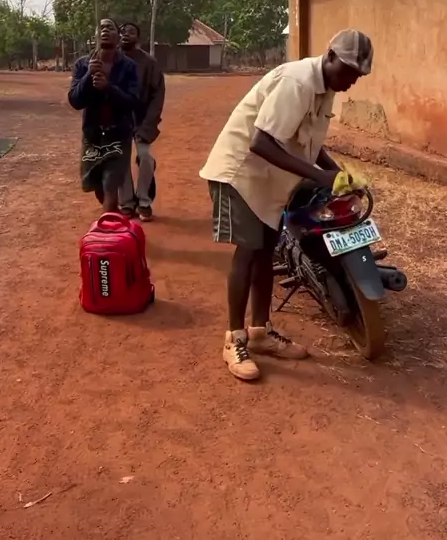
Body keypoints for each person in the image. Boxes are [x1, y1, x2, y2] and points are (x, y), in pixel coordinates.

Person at [199, 29, 374, 381]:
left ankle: (260, 332)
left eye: (358, 75)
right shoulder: (297, 83)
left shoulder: (326, 87)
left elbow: (309, 143)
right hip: (240, 174)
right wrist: (320, 176)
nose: (351, 81)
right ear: (329, 56)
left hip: (268, 180)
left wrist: (337, 175)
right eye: (348, 71)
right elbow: (260, 143)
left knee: (266, 251)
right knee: (248, 253)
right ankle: (234, 339)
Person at [68, 18, 139, 213]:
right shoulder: (83, 65)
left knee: (110, 182)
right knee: (97, 185)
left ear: (118, 37)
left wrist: (109, 88)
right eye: (101, 27)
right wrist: (87, 77)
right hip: (93, 136)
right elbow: (75, 101)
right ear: (96, 35)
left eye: (110, 27)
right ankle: (113, 216)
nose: (105, 30)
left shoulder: (129, 66)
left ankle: (108, 224)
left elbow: (132, 101)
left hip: (118, 134)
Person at [118, 21, 165, 222]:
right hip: (118, 121)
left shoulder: (149, 63)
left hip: (142, 121)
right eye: (123, 31)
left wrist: (148, 124)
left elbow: (157, 96)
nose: (126, 34)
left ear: (138, 38)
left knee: (145, 157)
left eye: (131, 32)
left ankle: (144, 201)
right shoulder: (112, 59)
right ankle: (126, 203)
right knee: (119, 159)